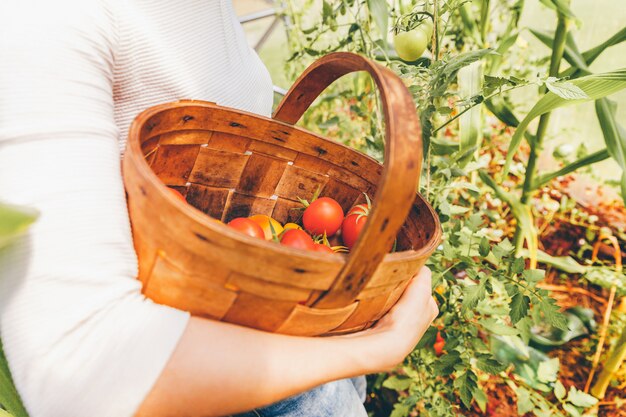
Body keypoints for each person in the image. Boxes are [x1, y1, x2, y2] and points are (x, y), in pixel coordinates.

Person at [0, 1, 438, 416]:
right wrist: (375, 348)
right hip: (211, 372)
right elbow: (82, 371)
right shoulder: (48, 18)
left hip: (291, 314)